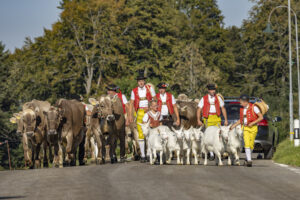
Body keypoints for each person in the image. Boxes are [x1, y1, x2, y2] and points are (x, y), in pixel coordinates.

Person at [230, 94, 263, 167]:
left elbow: (261, 117)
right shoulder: (242, 109)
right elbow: (241, 120)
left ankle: (247, 158)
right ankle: (249, 160)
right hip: (245, 128)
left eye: (241, 101)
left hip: (254, 128)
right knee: (247, 143)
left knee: (251, 145)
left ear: (245, 102)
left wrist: (253, 123)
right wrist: (233, 126)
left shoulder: (254, 107)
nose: (240, 103)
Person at [129, 74, 156, 162]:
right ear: (137, 82)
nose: (141, 82)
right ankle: (143, 155)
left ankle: (149, 153)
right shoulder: (134, 91)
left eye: (142, 81)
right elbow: (131, 103)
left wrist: (149, 107)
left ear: (144, 81)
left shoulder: (149, 88)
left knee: (149, 132)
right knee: (141, 133)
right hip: (139, 112)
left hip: (148, 111)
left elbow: (154, 99)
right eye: (139, 81)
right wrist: (130, 116)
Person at [106, 84, 129, 163]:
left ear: (113, 91)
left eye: (109, 90)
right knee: (112, 137)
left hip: (122, 116)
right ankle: (113, 154)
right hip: (110, 118)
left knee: (122, 136)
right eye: (108, 90)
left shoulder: (122, 96)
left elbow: (127, 106)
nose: (108, 92)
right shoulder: (107, 98)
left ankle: (122, 154)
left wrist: (128, 117)